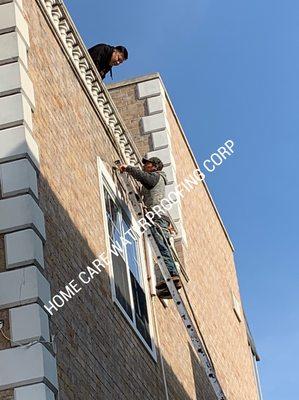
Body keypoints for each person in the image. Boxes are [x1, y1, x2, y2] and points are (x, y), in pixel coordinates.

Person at [117, 156, 181, 296]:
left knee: (161, 247)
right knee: (162, 247)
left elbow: (143, 177)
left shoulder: (155, 177)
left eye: (148, 164)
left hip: (156, 217)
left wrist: (127, 168)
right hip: (158, 217)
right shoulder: (155, 179)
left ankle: (172, 275)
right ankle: (169, 284)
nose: (144, 165)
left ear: (155, 166)